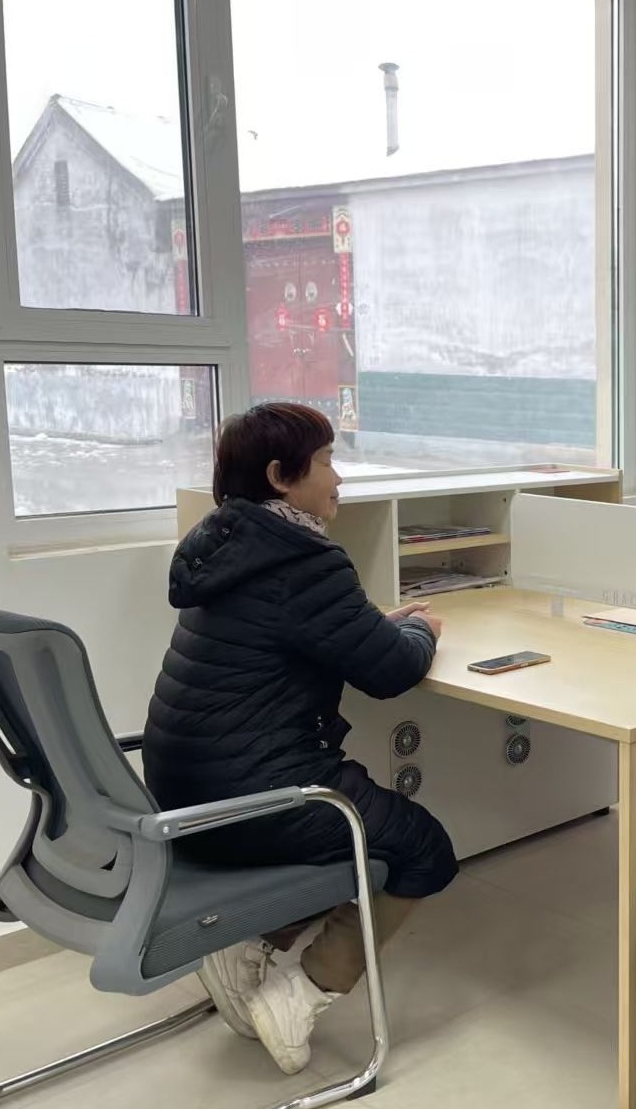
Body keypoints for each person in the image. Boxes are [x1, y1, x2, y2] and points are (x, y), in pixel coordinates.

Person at [141, 403, 458, 1075]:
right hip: (254, 793)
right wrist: (421, 630)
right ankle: (302, 990)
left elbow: (296, 634)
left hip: (184, 788)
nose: (338, 477)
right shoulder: (304, 561)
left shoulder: (225, 545)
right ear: (281, 477)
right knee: (424, 848)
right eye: (325, 461)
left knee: (363, 819)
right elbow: (393, 672)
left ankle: (245, 948)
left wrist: (372, 626)